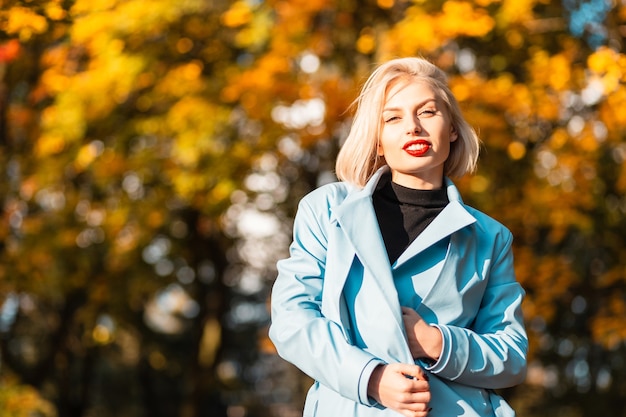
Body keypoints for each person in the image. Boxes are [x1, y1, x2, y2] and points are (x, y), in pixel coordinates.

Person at [269, 57, 528, 417]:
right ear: (377, 140)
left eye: (428, 112)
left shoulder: (490, 237)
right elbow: (292, 320)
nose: (413, 128)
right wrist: (371, 378)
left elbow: (511, 357)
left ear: (452, 128)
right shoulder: (326, 210)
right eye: (393, 118)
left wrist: (437, 343)